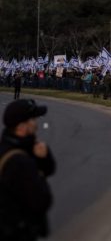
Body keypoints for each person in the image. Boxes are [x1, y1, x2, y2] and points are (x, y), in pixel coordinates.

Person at [0, 99, 56, 240]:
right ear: (22, 126)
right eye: (33, 119)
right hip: (17, 231)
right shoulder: (19, 161)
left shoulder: (15, 145)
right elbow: (41, 200)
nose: (36, 123)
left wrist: (42, 159)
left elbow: (50, 168)